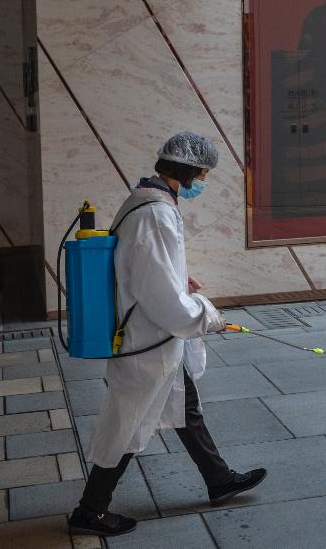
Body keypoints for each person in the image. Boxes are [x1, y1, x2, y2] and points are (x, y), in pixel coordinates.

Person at [68, 131, 267, 537]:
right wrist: (207, 316)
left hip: (152, 336)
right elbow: (163, 298)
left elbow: (146, 267)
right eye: (204, 173)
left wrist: (179, 278)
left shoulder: (145, 202)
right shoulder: (156, 213)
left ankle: (219, 479)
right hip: (148, 340)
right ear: (190, 170)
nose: (204, 182)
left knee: (184, 406)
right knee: (127, 424)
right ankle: (89, 511)